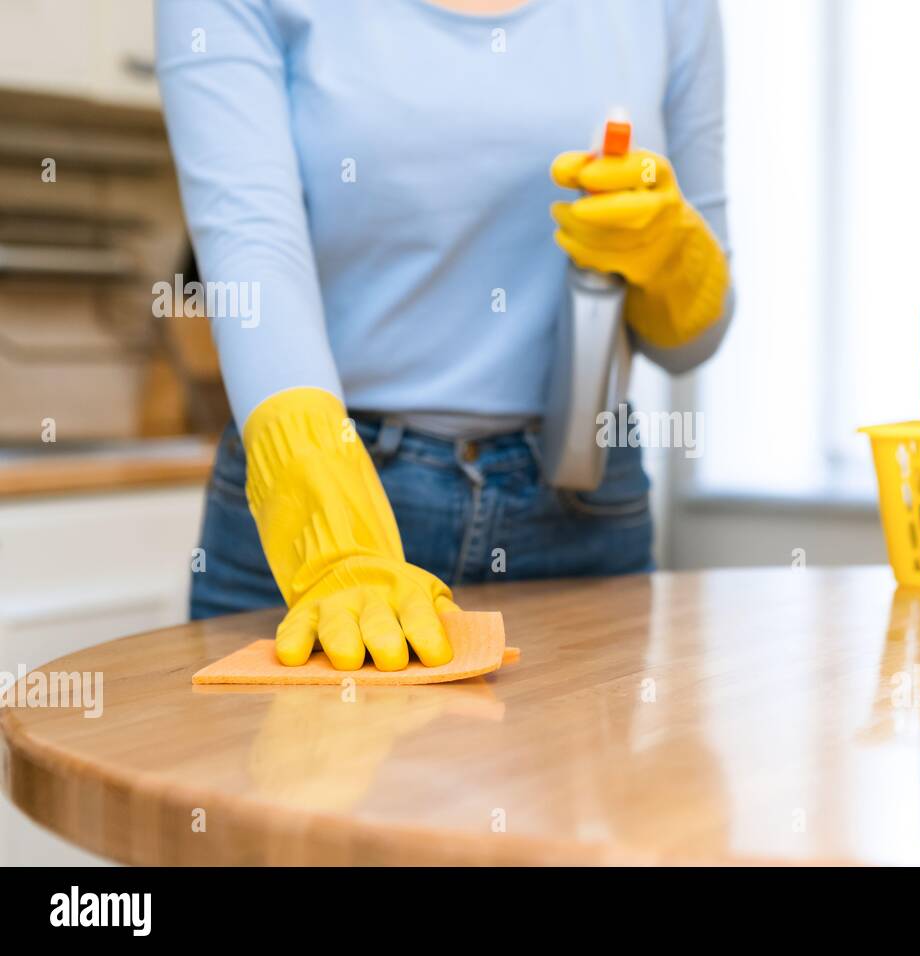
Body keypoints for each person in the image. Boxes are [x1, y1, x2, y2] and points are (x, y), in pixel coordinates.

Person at [155, 0, 732, 671]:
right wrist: (339, 541)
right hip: (320, 489)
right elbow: (254, 249)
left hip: (582, 499)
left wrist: (669, 256)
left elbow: (692, 344)